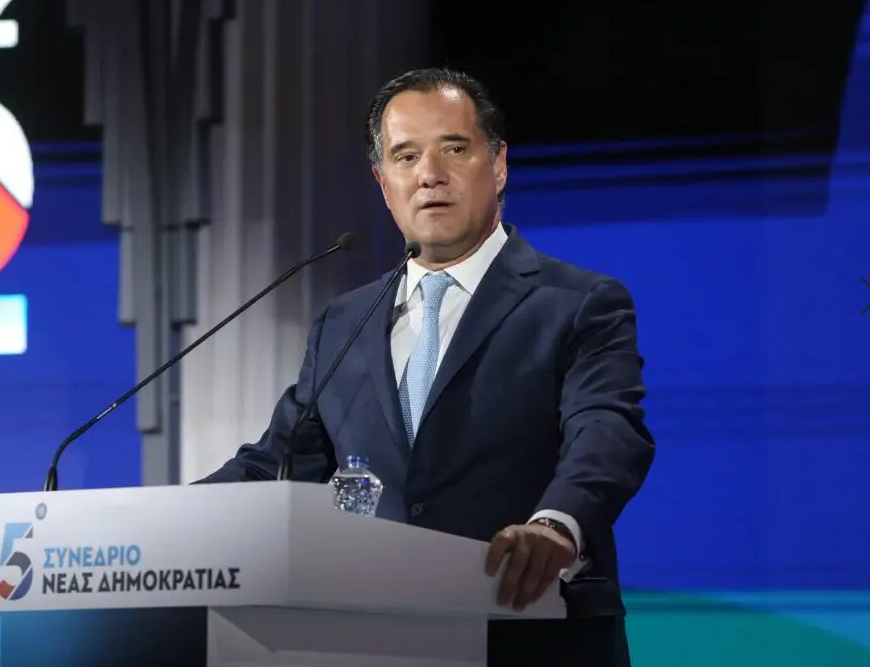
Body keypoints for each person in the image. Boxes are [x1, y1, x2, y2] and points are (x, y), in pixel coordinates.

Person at [198, 67, 655, 666]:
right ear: (383, 182)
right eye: (406, 156)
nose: (429, 175)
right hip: (378, 642)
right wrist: (158, 525)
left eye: (454, 149)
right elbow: (277, 465)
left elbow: (607, 430)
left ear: (499, 165)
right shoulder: (345, 320)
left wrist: (555, 525)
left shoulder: (578, 303)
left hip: (534, 634)